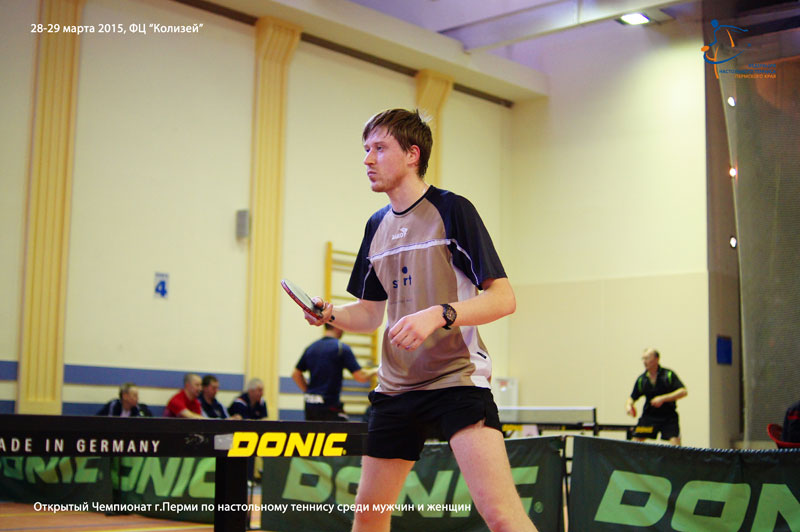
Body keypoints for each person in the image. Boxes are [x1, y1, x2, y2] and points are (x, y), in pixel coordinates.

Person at [303, 109, 536, 532]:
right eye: (366, 150)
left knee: (502, 517)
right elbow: (370, 314)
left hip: (456, 380)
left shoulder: (452, 210)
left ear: (412, 154)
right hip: (396, 390)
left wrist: (440, 314)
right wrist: (330, 313)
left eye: (379, 148)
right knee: (368, 518)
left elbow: (504, 299)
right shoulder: (375, 227)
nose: (367, 159)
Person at [292, 323, 377, 421]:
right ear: (336, 325)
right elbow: (360, 377)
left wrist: (310, 392)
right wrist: (376, 371)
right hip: (329, 406)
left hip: (310, 405)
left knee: (313, 431)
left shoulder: (311, 347)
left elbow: (296, 374)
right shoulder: (341, 348)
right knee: (342, 430)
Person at [625, 348, 688, 445]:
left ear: (656, 359)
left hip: (668, 418)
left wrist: (662, 399)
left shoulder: (668, 375)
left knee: (676, 445)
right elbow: (632, 397)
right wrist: (629, 406)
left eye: (647, 358)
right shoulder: (642, 379)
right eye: (643, 359)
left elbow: (683, 391)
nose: (644, 361)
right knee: (635, 442)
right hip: (649, 418)